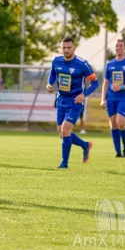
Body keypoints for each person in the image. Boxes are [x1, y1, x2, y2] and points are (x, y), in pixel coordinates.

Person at [47, 37, 98, 170]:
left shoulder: (82, 64)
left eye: (69, 47)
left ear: (74, 48)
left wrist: (83, 95)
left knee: (65, 130)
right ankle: (85, 145)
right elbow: (53, 74)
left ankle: (64, 164)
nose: (66, 50)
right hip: (61, 100)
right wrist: (49, 84)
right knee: (62, 133)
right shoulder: (56, 60)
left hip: (75, 101)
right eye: (64, 47)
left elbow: (95, 83)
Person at [101, 39, 125, 158]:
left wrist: (121, 87)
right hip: (111, 98)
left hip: (124, 97)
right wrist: (103, 99)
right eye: (117, 46)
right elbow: (106, 83)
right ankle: (118, 152)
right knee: (113, 124)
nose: (118, 48)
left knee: (121, 122)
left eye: (121, 46)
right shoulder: (110, 64)